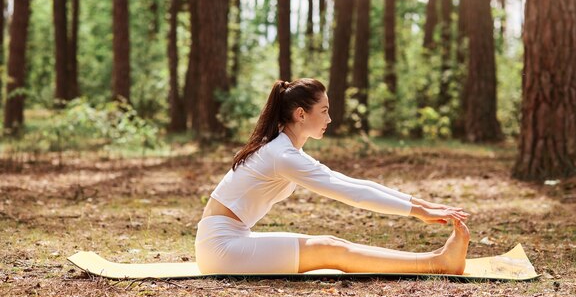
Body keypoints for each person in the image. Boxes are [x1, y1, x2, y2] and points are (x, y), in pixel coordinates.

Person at [195, 78, 470, 274]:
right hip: (222, 248)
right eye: (324, 111)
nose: (329, 119)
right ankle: (438, 263)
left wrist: (422, 206)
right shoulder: (282, 155)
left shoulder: (284, 150)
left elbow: (351, 183)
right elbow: (351, 193)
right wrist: (416, 211)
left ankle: (437, 259)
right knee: (331, 249)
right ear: (301, 114)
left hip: (228, 240)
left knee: (333, 245)